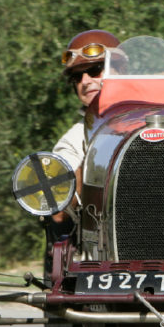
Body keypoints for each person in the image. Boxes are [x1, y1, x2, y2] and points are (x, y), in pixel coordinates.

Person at [51, 29, 120, 226]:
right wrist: (86, 169)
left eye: (95, 70)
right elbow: (57, 212)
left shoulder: (159, 119)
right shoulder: (73, 140)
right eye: (77, 77)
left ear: (120, 71)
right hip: (104, 245)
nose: (85, 81)